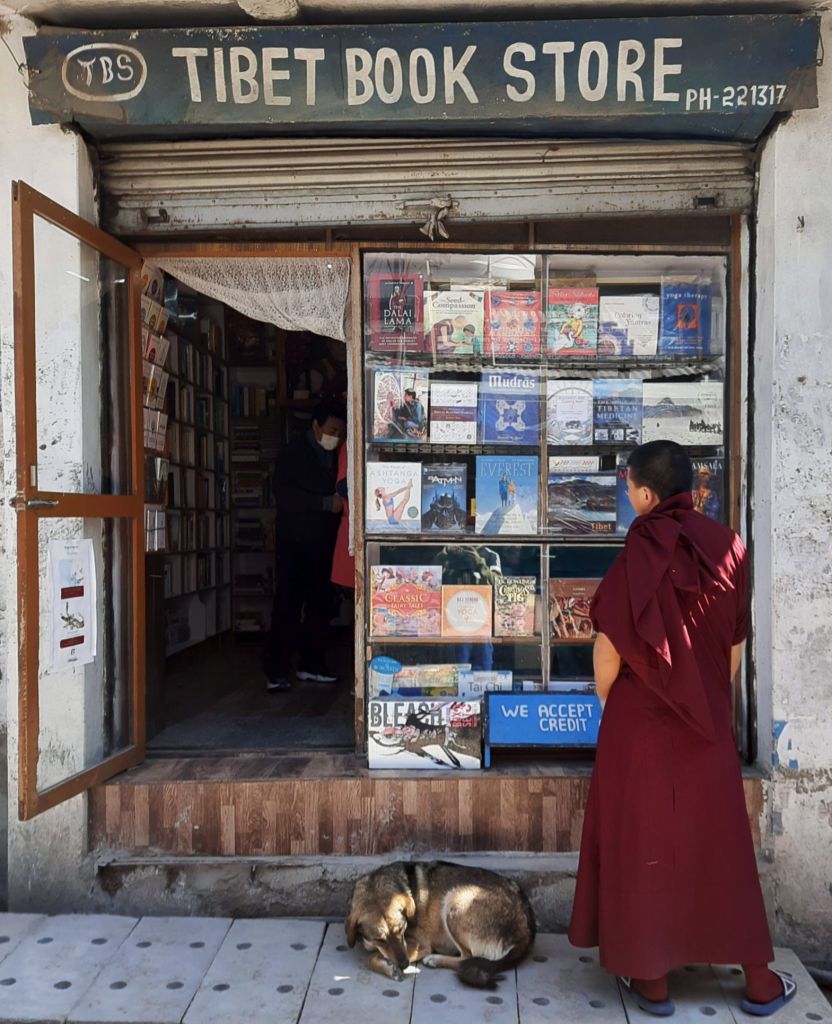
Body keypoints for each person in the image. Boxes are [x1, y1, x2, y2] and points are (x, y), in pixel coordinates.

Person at [569, 440, 796, 1018]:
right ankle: (760, 981)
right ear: (690, 491)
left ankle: (653, 982)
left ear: (646, 494)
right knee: (719, 845)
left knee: (642, 841)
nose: (627, 499)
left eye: (628, 490)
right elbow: (734, 647)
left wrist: (615, 706)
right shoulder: (730, 549)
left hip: (639, 721)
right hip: (707, 719)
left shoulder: (639, 550)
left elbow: (608, 650)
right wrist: (704, 699)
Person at [264, 397, 347, 692]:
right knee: (287, 604)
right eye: (332, 430)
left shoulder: (338, 455)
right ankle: (276, 670)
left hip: (324, 541)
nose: (335, 437)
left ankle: (311, 664)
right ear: (316, 425)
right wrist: (325, 503)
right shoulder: (293, 454)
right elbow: (285, 496)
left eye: (340, 432)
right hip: (294, 540)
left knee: (320, 605)